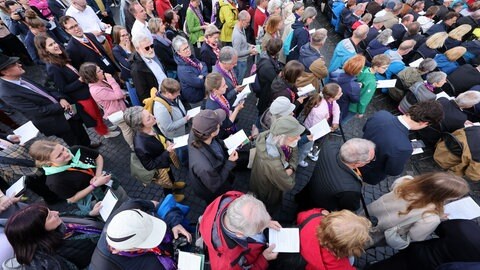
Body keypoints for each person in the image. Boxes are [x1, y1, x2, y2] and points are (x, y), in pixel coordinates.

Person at [35, 34, 120, 140]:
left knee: (97, 112)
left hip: (85, 92)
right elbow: (63, 89)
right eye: (51, 45)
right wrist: (80, 80)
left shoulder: (60, 57)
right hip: (80, 98)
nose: (55, 45)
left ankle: (105, 128)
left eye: (54, 42)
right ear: (46, 50)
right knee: (93, 116)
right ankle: (104, 133)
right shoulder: (52, 67)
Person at [0, 54, 91, 147]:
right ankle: (85, 157)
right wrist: (61, 105)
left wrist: (61, 98)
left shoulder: (19, 77)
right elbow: (37, 111)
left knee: (79, 128)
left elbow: (46, 90)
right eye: (14, 64)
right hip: (55, 120)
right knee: (73, 140)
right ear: (5, 72)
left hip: (65, 109)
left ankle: (89, 147)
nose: (19, 64)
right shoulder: (7, 93)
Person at [366, 172, 469, 248]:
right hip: (377, 233)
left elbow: (393, 186)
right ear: (443, 196)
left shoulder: (406, 180)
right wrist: (438, 216)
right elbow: (416, 236)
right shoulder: (431, 218)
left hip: (369, 213)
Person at [90, 199, 191, 269]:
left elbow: (156, 204)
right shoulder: (104, 266)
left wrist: (174, 223)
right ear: (131, 248)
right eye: (149, 239)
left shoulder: (127, 211)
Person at [361, 100, 444, 185]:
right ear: (425, 123)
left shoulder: (381, 114)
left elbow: (364, 129)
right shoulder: (404, 148)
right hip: (367, 172)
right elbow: (393, 171)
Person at [199, 191, 281, 269]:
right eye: (259, 230)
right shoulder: (226, 265)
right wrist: (263, 259)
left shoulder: (236, 198)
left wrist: (265, 222)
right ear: (240, 234)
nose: (264, 228)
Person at [5, 204, 102, 269]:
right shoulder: (52, 262)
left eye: (50, 211)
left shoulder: (57, 226)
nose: (56, 212)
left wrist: (90, 213)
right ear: (38, 230)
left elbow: (69, 214)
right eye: (49, 216)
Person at [295, 138, 376, 212]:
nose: (372, 160)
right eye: (370, 160)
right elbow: (348, 209)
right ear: (358, 164)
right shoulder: (350, 189)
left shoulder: (330, 145)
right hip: (317, 210)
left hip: (307, 193)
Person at [123, 106, 186, 202]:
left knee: (170, 174)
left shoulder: (149, 127)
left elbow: (159, 138)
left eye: (150, 114)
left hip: (165, 163)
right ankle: (171, 197)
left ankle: (174, 185)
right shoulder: (140, 146)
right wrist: (167, 152)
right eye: (149, 118)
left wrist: (166, 141)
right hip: (160, 169)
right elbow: (149, 165)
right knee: (166, 184)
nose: (154, 117)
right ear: (140, 126)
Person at [366, 219, 480, 270]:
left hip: (420, 254)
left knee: (390, 265)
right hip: (430, 265)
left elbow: (441, 228)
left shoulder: (469, 229)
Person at [250, 115, 305, 213]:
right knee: (269, 207)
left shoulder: (269, 135)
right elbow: (289, 184)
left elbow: (294, 148)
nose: (299, 138)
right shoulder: (274, 163)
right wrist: (292, 168)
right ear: (282, 137)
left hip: (259, 179)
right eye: (295, 135)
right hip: (269, 191)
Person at [79, 62, 133, 149]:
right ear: (93, 76)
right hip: (117, 112)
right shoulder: (96, 90)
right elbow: (117, 95)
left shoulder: (99, 81)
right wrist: (111, 80)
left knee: (129, 128)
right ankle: (133, 146)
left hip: (120, 108)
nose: (102, 71)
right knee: (127, 130)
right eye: (99, 71)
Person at [188, 109, 238, 204]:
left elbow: (215, 142)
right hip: (211, 191)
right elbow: (216, 184)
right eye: (219, 124)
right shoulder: (205, 166)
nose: (221, 123)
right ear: (213, 133)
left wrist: (224, 143)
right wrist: (230, 163)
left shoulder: (197, 131)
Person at [296, 209, 372, 270]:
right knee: (351, 260)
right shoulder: (338, 266)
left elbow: (300, 216)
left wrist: (321, 212)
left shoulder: (314, 217)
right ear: (347, 250)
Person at [152, 78, 189, 164]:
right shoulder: (160, 108)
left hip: (181, 130)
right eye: (177, 93)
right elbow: (168, 127)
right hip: (175, 135)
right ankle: (185, 162)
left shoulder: (171, 98)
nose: (179, 94)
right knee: (182, 150)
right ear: (168, 94)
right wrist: (184, 120)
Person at [204, 72, 244, 139]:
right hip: (224, 132)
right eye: (224, 85)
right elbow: (226, 125)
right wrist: (237, 109)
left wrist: (236, 90)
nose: (227, 86)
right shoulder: (214, 107)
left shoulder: (219, 94)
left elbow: (227, 98)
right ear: (215, 90)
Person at [130, 33, 168, 102]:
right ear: (138, 49)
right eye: (147, 48)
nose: (151, 50)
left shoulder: (152, 56)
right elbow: (143, 95)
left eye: (152, 46)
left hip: (169, 92)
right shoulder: (137, 69)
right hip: (159, 101)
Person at [172, 35, 207, 108]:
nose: (188, 50)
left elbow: (203, 64)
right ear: (178, 52)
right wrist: (202, 74)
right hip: (196, 99)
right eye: (184, 49)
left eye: (187, 47)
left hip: (202, 93)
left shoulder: (189, 57)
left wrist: (201, 76)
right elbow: (199, 83)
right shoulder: (183, 69)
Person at [329, 54, 365, 122]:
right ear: (358, 70)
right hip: (340, 107)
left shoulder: (335, 72)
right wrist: (358, 88)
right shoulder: (354, 87)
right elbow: (355, 100)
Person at [256, 38, 284, 116]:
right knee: (262, 112)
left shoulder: (266, 56)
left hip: (265, 87)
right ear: (277, 50)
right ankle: (258, 125)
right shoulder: (267, 66)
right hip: (265, 92)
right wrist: (279, 74)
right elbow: (275, 80)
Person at [232, 10, 257, 83]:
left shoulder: (242, 28)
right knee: (239, 81)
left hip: (243, 61)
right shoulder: (237, 35)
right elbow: (236, 52)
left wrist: (249, 45)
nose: (249, 24)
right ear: (242, 21)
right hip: (240, 62)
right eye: (247, 22)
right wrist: (250, 51)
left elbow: (243, 42)